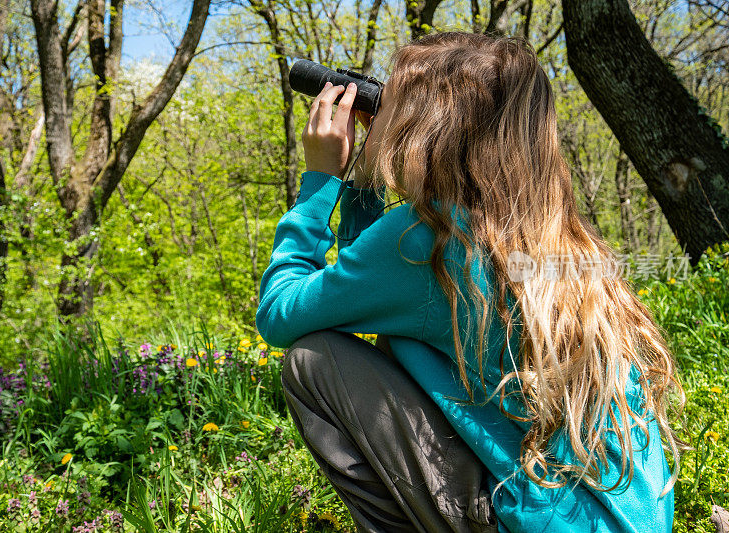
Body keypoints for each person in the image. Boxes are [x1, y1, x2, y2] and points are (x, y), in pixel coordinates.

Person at [256, 31, 685, 533]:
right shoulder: (560, 236)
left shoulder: (425, 239)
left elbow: (279, 314)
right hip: (623, 517)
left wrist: (320, 182)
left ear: (425, 128)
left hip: (530, 523)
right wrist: (366, 185)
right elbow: (370, 292)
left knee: (313, 360)